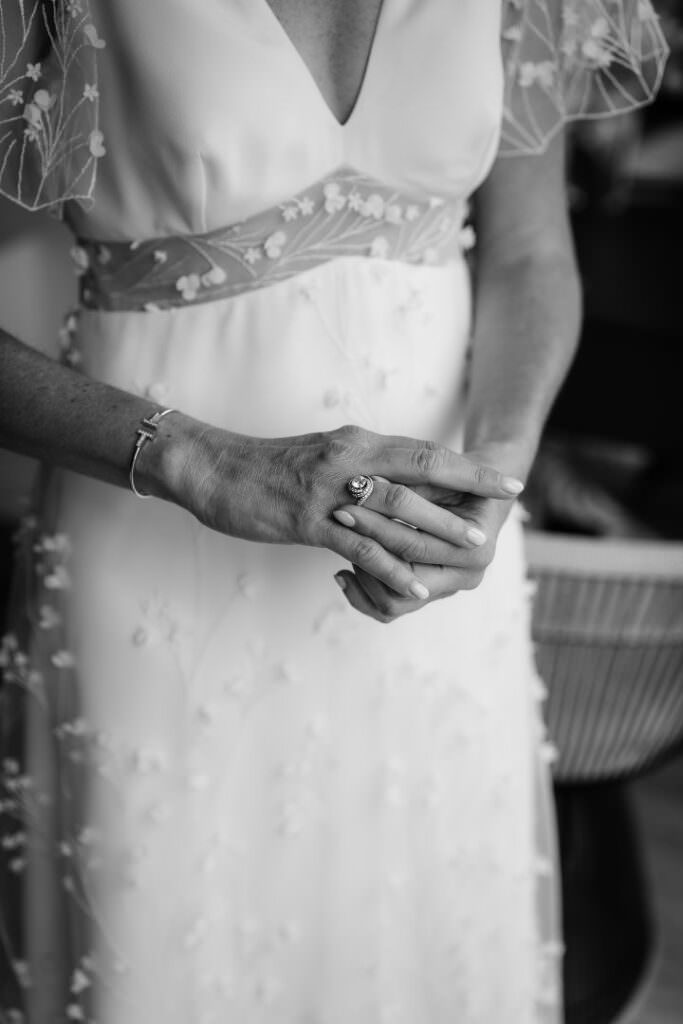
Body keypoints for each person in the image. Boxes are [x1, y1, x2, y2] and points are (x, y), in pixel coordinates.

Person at [0, 1, 667, 1021]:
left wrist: (490, 477)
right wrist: (202, 464)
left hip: (439, 577)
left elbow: (530, 256)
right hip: (153, 568)